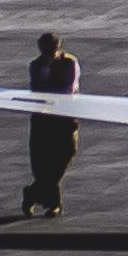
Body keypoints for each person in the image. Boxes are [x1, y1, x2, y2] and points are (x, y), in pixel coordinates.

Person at [22, 31, 79, 217]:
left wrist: (46, 91)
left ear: (58, 48)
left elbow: (68, 89)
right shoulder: (35, 65)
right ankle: (53, 205)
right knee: (42, 164)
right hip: (43, 121)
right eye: (45, 51)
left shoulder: (69, 62)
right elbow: (34, 90)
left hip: (64, 118)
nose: (49, 55)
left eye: (52, 50)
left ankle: (32, 193)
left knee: (64, 156)